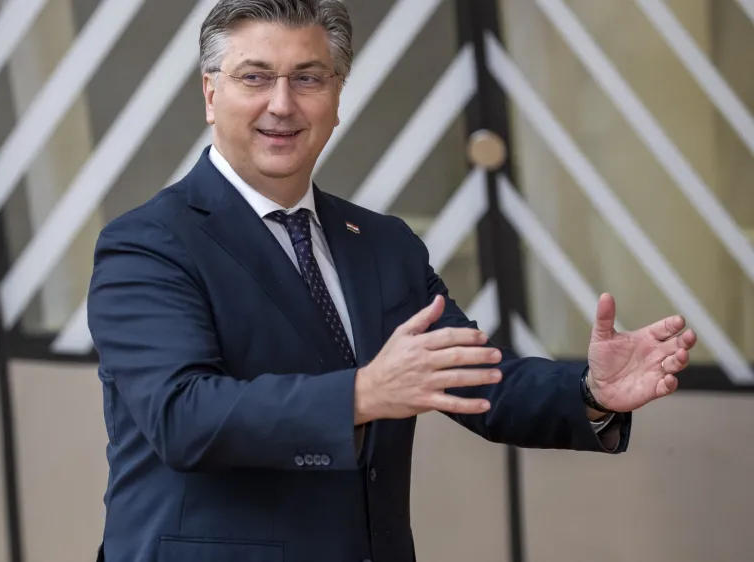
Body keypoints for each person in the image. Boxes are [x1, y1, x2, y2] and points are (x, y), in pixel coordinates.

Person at [87, 1, 698, 561]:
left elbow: (471, 375)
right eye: (254, 77)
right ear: (211, 94)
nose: (281, 103)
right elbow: (182, 417)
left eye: (308, 77)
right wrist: (362, 395)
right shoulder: (148, 244)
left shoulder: (381, 243)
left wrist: (590, 390)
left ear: (337, 95)